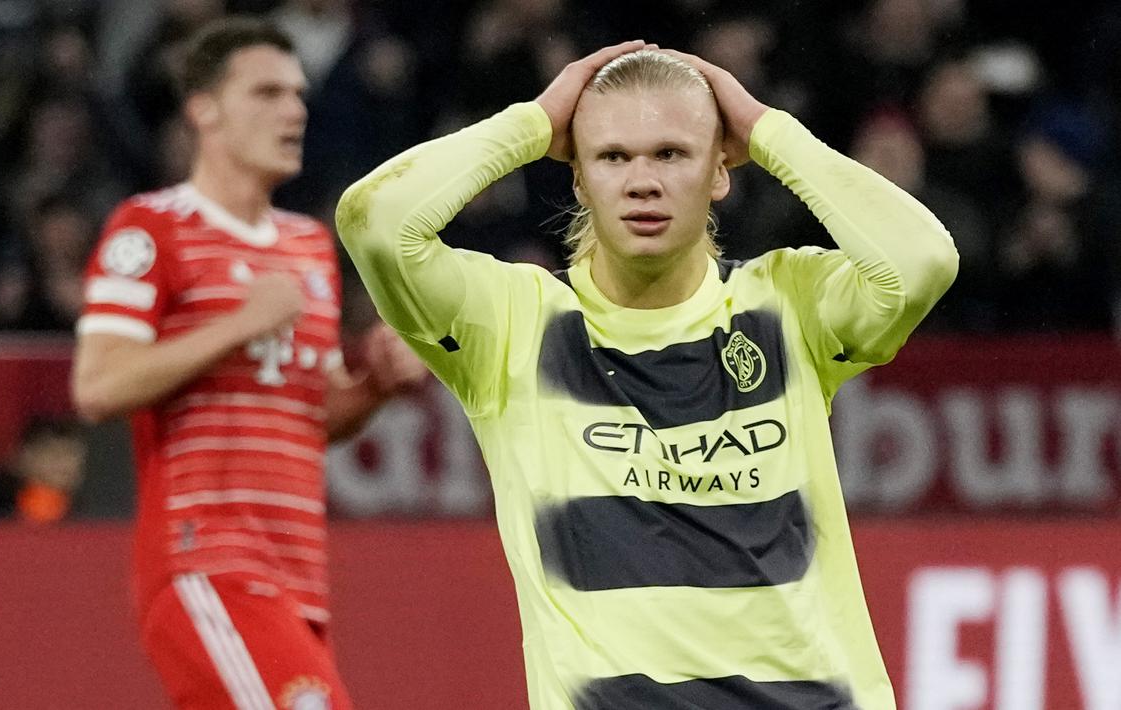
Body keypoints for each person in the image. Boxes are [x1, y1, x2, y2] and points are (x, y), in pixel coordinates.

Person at [337, 42, 958, 709]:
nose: (642, 181)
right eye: (611, 156)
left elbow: (920, 260)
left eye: (670, 153)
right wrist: (533, 122)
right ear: (577, 178)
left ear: (720, 171)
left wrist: (767, 130)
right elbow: (376, 224)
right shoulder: (512, 324)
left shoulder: (785, 306)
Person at [70, 17, 425, 710]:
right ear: (204, 108)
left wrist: (376, 386)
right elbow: (98, 386)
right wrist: (237, 324)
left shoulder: (307, 248)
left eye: (296, 94)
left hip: (296, 570)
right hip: (204, 559)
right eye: (266, 93)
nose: (292, 110)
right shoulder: (150, 229)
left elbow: (312, 417)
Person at [0, 415, 87, 523]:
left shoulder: (86, 516)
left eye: (72, 455)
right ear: (24, 457)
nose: (65, 464)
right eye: (54, 454)